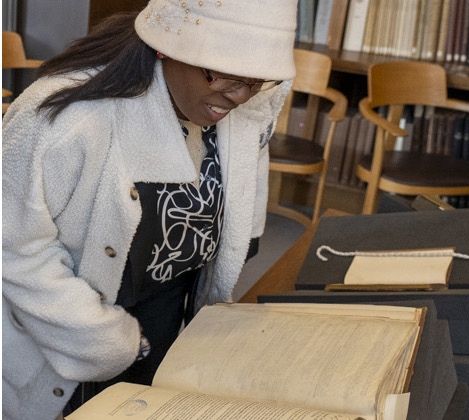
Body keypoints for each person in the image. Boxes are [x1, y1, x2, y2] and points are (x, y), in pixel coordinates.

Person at [1, 1, 295, 417]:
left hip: (168, 331)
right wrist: (104, 342)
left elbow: (239, 216)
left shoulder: (242, 111)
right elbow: (11, 247)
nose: (239, 95)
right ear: (167, 46)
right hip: (72, 346)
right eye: (221, 74)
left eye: (255, 81)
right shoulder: (66, 116)